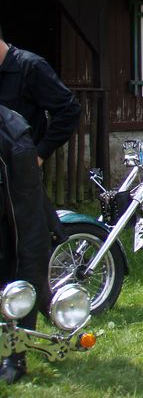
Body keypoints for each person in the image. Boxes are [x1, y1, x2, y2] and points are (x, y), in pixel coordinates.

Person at [0, 28, 80, 244]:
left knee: (26, 238)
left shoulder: (31, 66)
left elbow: (69, 110)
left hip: (21, 170)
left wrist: (41, 153)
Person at [0, 105, 52, 384]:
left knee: (24, 250)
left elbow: (30, 237)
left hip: (14, 213)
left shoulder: (12, 137)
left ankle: (16, 352)